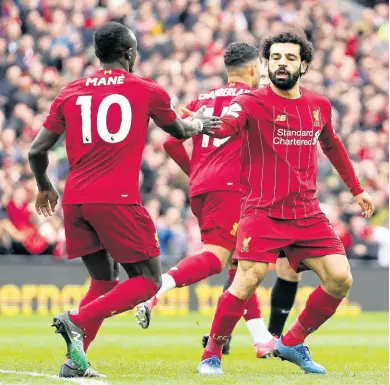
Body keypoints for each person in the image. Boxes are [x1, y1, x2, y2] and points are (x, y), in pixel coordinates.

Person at [28, 22, 218, 379]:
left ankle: (75, 362)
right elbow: (179, 130)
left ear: (99, 54)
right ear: (129, 54)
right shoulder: (146, 90)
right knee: (147, 281)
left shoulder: (71, 92)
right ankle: (77, 320)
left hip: (76, 201)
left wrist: (43, 186)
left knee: (103, 281)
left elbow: (37, 150)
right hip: (116, 200)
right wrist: (201, 125)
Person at [197, 30, 374, 375]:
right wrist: (200, 124)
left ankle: (291, 342)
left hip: (306, 212)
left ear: (303, 64)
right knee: (248, 278)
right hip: (262, 210)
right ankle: (212, 353)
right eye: (275, 57)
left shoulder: (319, 105)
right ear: (266, 63)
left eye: (290, 58)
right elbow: (226, 125)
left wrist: (356, 189)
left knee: (340, 278)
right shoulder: (251, 102)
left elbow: (333, 145)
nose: (281, 63)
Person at [135, 42, 277, 358]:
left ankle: (260, 337)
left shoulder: (203, 99)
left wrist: (197, 172)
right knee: (217, 258)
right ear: (254, 70)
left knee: (242, 262)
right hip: (232, 189)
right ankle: (157, 289)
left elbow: (171, 143)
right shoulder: (254, 99)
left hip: (203, 189)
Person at [200, 62, 302, 354]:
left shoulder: (293, 106)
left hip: (290, 196)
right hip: (256, 197)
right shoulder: (253, 103)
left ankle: (273, 336)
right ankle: (225, 336)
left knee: (288, 270)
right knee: (241, 266)